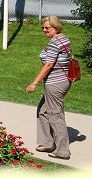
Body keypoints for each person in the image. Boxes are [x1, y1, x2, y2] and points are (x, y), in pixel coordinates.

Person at [26, 16, 73, 160]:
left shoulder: (55, 42)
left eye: (48, 27)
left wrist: (34, 83)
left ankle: (62, 150)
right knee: (43, 111)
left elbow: (48, 64)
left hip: (55, 83)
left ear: (56, 27)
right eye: (43, 27)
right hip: (62, 81)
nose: (45, 30)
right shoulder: (63, 39)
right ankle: (47, 142)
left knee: (55, 115)